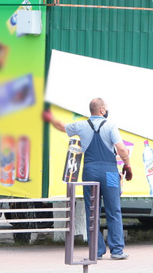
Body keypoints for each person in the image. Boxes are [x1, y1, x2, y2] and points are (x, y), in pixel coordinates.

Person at [45, 98, 132, 260]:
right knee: (114, 210)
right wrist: (127, 165)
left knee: (92, 211)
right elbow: (122, 150)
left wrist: (50, 118)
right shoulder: (111, 126)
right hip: (110, 173)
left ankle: (96, 251)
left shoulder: (81, 125)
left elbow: (61, 126)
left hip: (90, 171)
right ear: (102, 111)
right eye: (105, 108)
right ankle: (117, 251)